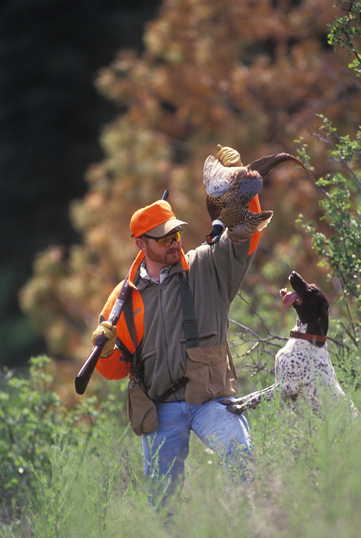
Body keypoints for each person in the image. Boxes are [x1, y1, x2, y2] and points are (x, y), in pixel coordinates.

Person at [92, 147, 264, 509]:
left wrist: (239, 187)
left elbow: (246, 233)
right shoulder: (123, 299)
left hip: (210, 399)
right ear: (141, 245)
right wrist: (107, 350)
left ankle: (251, 532)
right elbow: (113, 371)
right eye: (165, 238)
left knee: (239, 453)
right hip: (159, 408)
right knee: (162, 505)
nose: (175, 242)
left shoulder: (207, 266)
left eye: (176, 234)